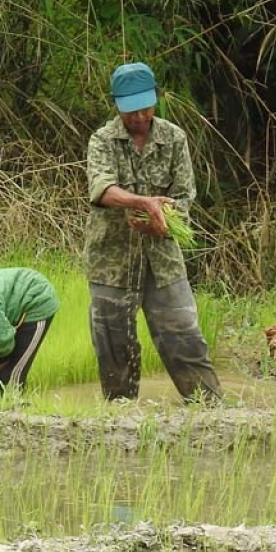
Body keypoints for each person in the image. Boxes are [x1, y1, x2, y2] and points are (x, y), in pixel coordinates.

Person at [83, 61, 223, 404]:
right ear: (116, 104)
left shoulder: (174, 138)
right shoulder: (102, 140)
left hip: (163, 260)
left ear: (155, 100)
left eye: (145, 107)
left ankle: (210, 410)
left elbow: (184, 196)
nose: (139, 116)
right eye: (130, 109)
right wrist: (144, 203)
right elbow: (101, 188)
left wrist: (163, 219)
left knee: (184, 337)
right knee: (113, 344)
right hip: (111, 260)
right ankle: (120, 416)